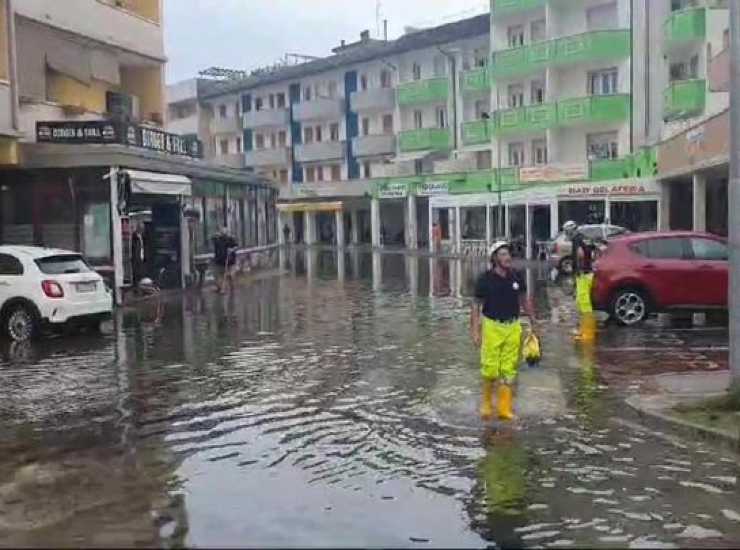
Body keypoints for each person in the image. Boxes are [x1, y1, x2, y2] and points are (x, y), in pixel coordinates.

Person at [471, 241, 536, 421]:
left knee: (509, 369)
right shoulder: (484, 279)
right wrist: (475, 331)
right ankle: (486, 403)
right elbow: (476, 306)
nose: (507, 258)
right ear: (494, 258)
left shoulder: (516, 277)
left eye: (508, 254)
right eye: (502, 254)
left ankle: (504, 408)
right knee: (490, 369)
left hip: (513, 326)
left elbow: (524, 299)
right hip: (492, 326)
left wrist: (533, 320)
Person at [563, 220, 597, 342]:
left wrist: (579, 270)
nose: (566, 234)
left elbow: (580, 255)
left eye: (567, 232)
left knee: (584, 304)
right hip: (587, 273)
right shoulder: (584, 238)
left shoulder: (577, 240)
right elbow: (593, 252)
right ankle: (583, 330)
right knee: (580, 302)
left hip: (583, 274)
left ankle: (588, 334)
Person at [212, 226, 238, 294]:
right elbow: (213, 238)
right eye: (222, 232)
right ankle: (220, 288)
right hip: (219, 261)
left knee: (230, 276)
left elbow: (236, 246)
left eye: (225, 232)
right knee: (217, 276)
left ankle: (232, 288)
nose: (223, 233)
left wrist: (231, 249)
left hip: (229, 261)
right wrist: (216, 235)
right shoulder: (217, 239)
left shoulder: (231, 239)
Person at [131, 221, 146, 288]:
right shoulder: (135, 236)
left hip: (140, 256)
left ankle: (139, 284)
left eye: (143, 228)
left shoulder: (141, 236)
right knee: (136, 272)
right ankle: (136, 285)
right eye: (141, 228)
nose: (143, 230)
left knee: (140, 271)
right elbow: (134, 248)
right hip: (136, 257)